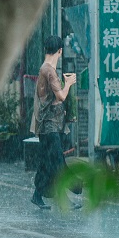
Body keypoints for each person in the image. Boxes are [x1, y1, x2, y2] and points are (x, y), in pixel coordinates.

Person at [31, 35, 77, 209]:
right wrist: (69, 83)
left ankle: (37, 195)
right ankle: (68, 194)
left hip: (48, 124)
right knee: (57, 161)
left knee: (47, 162)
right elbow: (62, 96)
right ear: (60, 51)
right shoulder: (49, 70)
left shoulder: (45, 68)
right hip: (49, 125)